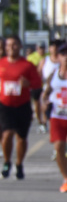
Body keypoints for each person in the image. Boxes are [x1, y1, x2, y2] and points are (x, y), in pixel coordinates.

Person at [0, 36, 43, 180]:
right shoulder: (0, 63)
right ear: (5, 47)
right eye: (8, 45)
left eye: (14, 45)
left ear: (20, 46)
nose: (11, 48)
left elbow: (37, 83)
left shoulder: (27, 65)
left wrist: (28, 84)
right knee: (7, 134)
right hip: (5, 104)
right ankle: (7, 162)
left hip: (22, 105)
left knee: (21, 138)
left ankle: (19, 163)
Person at [42, 43, 67, 192]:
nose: (66, 57)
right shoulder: (54, 74)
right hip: (57, 117)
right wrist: (45, 101)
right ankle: (66, 178)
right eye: (63, 54)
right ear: (58, 57)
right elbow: (46, 92)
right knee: (58, 147)